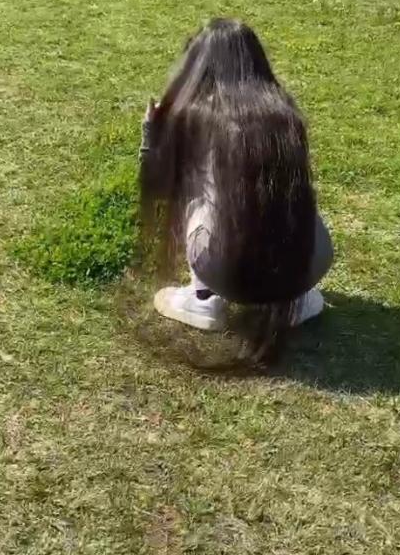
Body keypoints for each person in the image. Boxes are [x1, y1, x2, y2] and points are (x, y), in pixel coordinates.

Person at [139, 18, 333, 341]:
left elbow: (157, 187)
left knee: (195, 190)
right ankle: (293, 299)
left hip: (224, 270)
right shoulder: (286, 111)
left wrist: (152, 134)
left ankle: (203, 299)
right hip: (312, 260)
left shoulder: (196, 116)